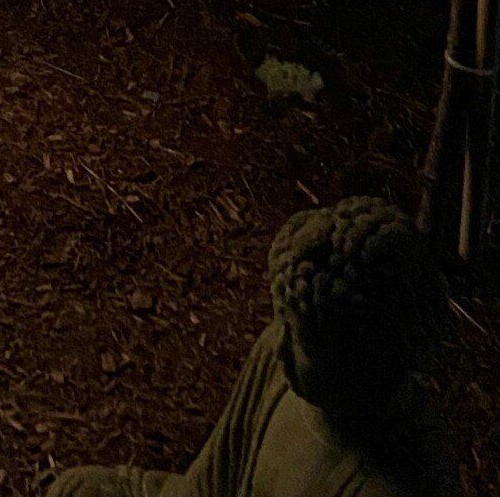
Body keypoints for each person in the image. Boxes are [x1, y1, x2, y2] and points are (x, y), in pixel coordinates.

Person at [47, 198, 455, 497]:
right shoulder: (278, 359)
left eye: (303, 343)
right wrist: (133, 489)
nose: (280, 346)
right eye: (286, 326)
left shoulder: (389, 482)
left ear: (362, 363)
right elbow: (206, 486)